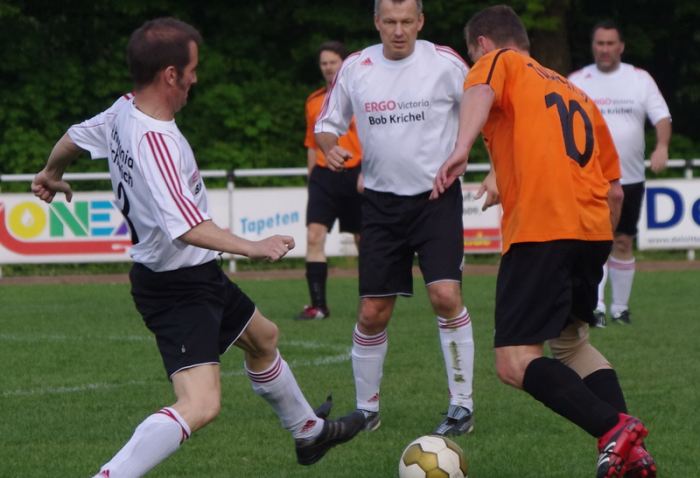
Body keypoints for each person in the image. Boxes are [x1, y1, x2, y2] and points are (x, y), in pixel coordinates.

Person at [31, 17, 364, 477]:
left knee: (263, 338)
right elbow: (186, 226)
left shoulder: (124, 110)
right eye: (192, 69)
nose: (196, 78)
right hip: (176, 285)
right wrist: (254, 246)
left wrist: (51, 172)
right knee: (200, 404)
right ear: (171, 75)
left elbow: (74, 136)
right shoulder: (156, 142)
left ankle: (308, 432)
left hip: (195, 273)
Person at [432, 5, 657, 477]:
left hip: (541, 230)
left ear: (483, 45)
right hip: (591, 232)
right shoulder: (575, 90)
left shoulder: (500, 61)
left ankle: (613, 429)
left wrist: (461, 147)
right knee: (572, 344)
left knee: (514, 362)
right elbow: (614, 190)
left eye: (474, 56)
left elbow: (481, 89)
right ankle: (632, 453)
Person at [315, 0, 476, 436]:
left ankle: (462, 406)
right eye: (390, 22)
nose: (399, 30)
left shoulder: (446, 63)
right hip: (381, 206)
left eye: (407, 21)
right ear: (377, 22)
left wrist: (489, 164)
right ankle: (366, 410)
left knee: (445, 296)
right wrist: (329, 146)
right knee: (372, 312)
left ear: (421, 21)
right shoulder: (356, 67)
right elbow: (327, 124)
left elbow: (487, 110)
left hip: (437, 198)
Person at [569, 20, 672, 327]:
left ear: (621, 46)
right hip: (590, 179)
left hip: (630, 178)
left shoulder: (639, 79)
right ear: (593, 46)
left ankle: (620, 309)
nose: (605, 49)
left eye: (610, 43)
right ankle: (596, 306)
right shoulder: (577, 80)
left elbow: (661, 116)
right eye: (599, 43)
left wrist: (662, 146)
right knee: (595, 241)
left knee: (623, 241)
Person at [297, 41, 363, 321]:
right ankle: (319, 306)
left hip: (356, 172)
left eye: (333, 62)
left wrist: (369, 172)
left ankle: (371, 301)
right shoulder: (313, 101)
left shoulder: (361, 97)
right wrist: (312, 177)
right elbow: (312, 144)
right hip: (324, 176)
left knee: (364, 240)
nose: (327, 67)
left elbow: (374, 139)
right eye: (323, 63)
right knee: (314, 236)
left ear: (344, 64)